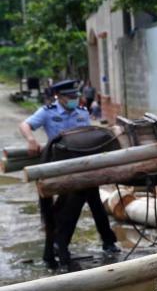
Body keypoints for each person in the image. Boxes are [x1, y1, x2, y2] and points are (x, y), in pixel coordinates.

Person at [18, 79, 121, 267]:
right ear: (60, 97)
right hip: (59, 167)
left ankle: (103, 242)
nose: (75, 99)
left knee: (95, 203)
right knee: (72, 207)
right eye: (70, 96)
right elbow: (25, 125)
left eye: (76, 96)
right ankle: (64, 244)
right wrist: (31, 140)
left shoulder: (82, 113)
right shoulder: (47, 112)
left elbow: (88, 138)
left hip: (84, 166)